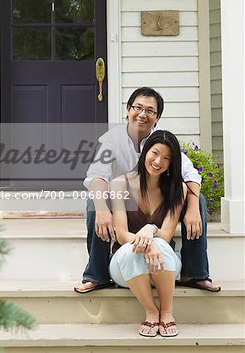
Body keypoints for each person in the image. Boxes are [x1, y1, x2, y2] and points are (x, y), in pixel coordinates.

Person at [74, 87, 220, 293]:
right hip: (124, 206)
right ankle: (97, 275)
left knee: (198, 198)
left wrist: (193, 207)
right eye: (138, 108)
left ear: (157, 117)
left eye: (150, 111)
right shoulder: (110, 140)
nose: (143, 115)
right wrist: (102, 210)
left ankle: (195, 273)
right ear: (128, 109)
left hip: (158, 206)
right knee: (95, 201)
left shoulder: (160, 141)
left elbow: (190, 174)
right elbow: (96, 176)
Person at [109, 130, 187, 337]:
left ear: (172, 163)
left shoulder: (177, 188)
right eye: (155, 153)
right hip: (127, 270)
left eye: (167, 158)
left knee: (161, 245)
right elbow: (122, 235)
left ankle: (167, 312)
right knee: (130, 251)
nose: (158, 161)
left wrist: (150, 229)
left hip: (163, 266)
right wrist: (148, 243)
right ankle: (152, 312)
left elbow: (167, 235)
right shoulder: (120, 184)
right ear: (145, 152)